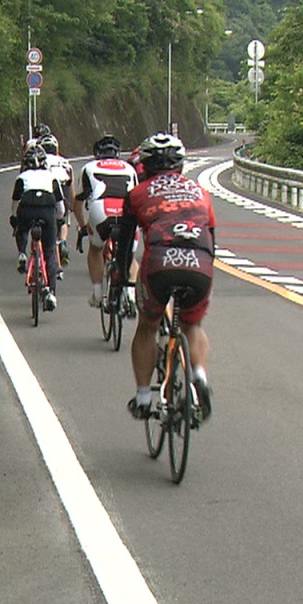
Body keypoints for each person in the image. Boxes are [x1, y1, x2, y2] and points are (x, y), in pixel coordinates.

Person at [116, 133, 215, 421]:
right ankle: (199, 376)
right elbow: (213, 242)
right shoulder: (201, 192)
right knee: (192, 325)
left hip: (160, 263)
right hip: (200, 263)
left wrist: (123, 276)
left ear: (144, 166)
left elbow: (125, 244)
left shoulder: (137, 194)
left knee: (147, 325)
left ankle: (144, 397)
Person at [72, 134, 140, 310]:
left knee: (95, 249)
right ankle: (130, 295)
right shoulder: (129, 168)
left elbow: (78, 202)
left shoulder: (88, 168)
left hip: (101, 209)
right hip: (127, 211)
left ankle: (97, 293)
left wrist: (83, 226)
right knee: (129, 255)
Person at [11, 146, 64, 310]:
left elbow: (14, 205)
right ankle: (51, 293)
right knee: (49, 252)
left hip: (27, 210)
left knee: (21, 227)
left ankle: (22, 253)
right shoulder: (51, 177)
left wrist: (15, 221)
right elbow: (60, 208)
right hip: (47, 212)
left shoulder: (21, 177)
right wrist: (59, 221)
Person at [38, 134, 74, 266]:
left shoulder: (40, 160)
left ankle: (55, 261)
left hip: (49, 189)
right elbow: (71, 185)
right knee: (62, 220)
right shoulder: (65, 162)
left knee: (49, 224)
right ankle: (63, 242)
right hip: (64, 188)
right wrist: (73, 205)